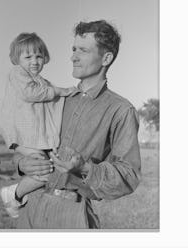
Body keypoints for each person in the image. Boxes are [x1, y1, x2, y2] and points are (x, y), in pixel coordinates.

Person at [12, 20, 141, 229]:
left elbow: (129, 176)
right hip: (30, 208)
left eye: (83, 50)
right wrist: (21, 164)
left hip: (71, 215)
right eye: (73, 49)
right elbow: (27, 142)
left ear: (106, 58)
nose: (73, 56)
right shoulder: (55, 97)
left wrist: (85, 167)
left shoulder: (121, 110)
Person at [0, 32, 75, 218]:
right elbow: (31, 94)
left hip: (35, 135)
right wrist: (60, 90)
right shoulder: (17, 73)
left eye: (39, 56)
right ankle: (14, 193)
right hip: (21, 133)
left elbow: (51, 106)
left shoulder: (42, 82)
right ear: (17, 59)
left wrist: (69, 95)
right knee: (43, 167)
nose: (35, 61)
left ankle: (52, 189)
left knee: (52, 165)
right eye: (28, 56)